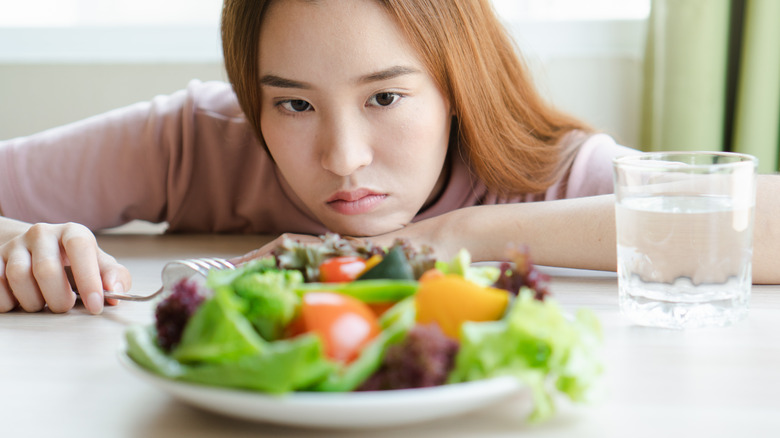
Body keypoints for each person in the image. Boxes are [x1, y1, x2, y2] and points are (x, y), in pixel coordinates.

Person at [0, 0, 777, 315]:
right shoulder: (200, 136)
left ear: (455, 87)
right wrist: (11, 241)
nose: (343, 158)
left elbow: (756, 217)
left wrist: (452, 238)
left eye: (386, 97)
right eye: (294, 104)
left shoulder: (540, 174)